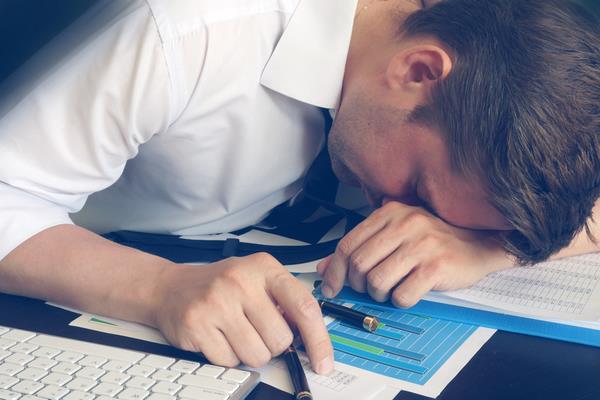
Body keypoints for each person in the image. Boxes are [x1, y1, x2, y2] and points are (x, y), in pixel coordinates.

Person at [1, 0, 599, 374]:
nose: (406, 217)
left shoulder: (498, 77)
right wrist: (157, 286)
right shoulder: (189, 28)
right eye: (416, 188)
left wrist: (485, 246)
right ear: (418, 71)